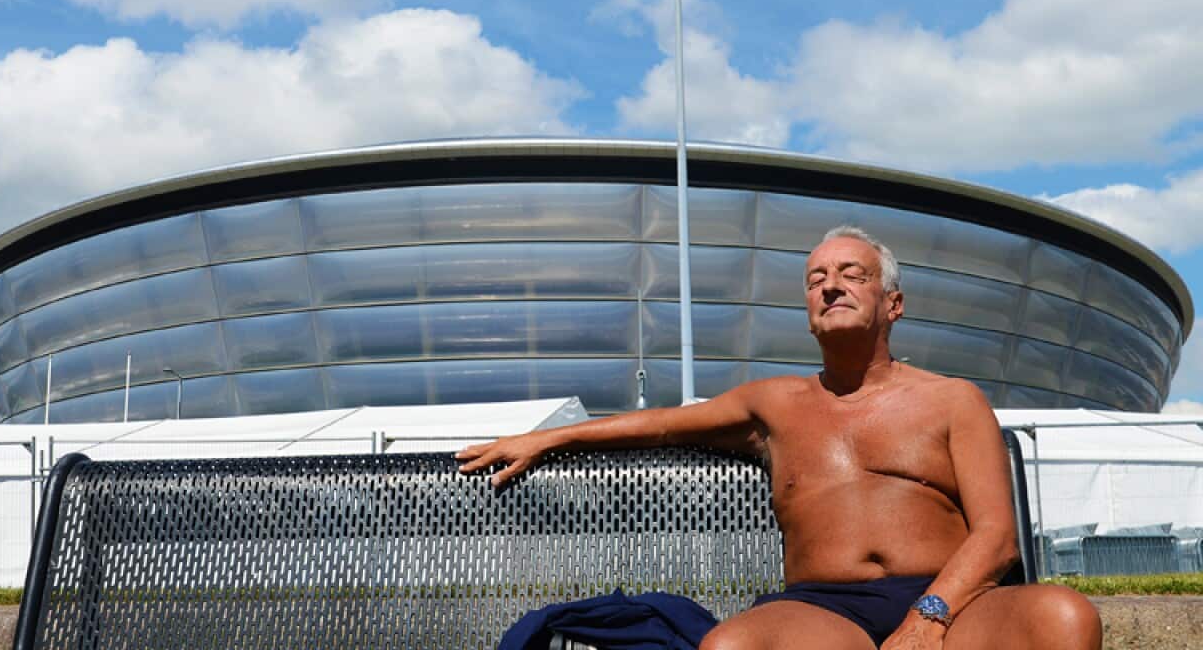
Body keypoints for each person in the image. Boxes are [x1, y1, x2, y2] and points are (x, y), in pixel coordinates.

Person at [457, 226, 1102, 650]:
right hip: (826, 612)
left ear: (893, 304)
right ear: (808, 312)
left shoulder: (953, 399)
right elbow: (658, 422)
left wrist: (928, 616)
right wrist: (550, 439)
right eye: (816, 279)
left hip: (951, 603)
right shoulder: (773, 404)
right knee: (729, 646)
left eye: (852, 274)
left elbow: (996, 536)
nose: (830, 285)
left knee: (1064, 616)